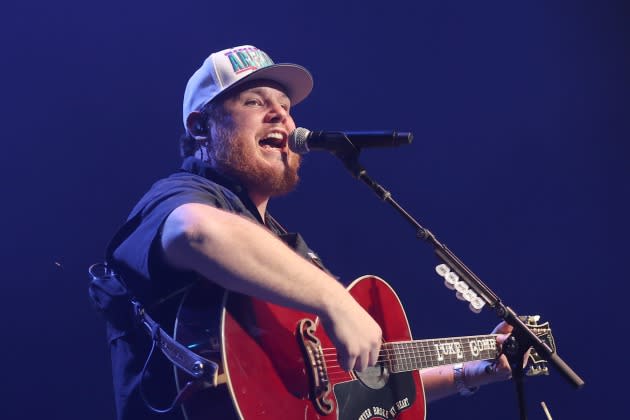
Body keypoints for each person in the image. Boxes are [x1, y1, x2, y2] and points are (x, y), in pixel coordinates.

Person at [98, 44, 513, 420]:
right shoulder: (180, 195)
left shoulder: (288, 254)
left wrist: (471, 371)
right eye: (254, 101)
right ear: (201, 126)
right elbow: (196, 231)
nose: (281, 113)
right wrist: (335, 299)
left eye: (284, 104)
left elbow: (357, 385)